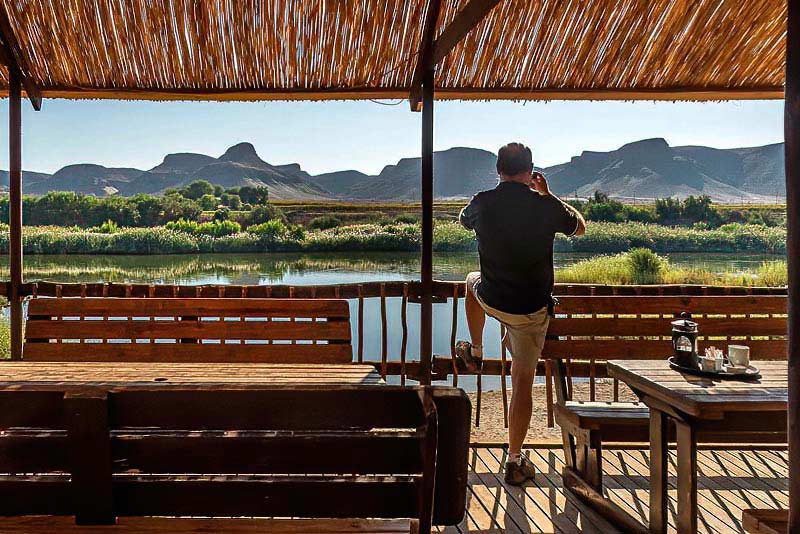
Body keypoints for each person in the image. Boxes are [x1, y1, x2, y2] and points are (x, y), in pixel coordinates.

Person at [456, 142, 586, 485]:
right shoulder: (545, 205)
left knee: (470, 281)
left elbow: (462, 221)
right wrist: (549, 195)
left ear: (499, 169)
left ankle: (478, 350)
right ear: (531, 172)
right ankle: (514, 460)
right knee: (522, 383)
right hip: (530, 309)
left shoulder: (482, 201)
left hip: (494, 298)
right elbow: (580, 227)